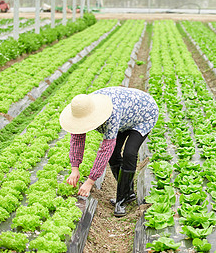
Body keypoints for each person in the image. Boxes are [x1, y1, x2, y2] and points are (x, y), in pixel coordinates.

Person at [59, 86, 159, 217]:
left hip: (144, 113)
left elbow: (105, 149)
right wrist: (74, 168)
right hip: (126, 116)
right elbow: (77, 139)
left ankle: (122, 200)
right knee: (114, 154)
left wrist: (90, 181)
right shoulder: (83, 108)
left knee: (129, 152)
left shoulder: (110, 113)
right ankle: (128, 193)